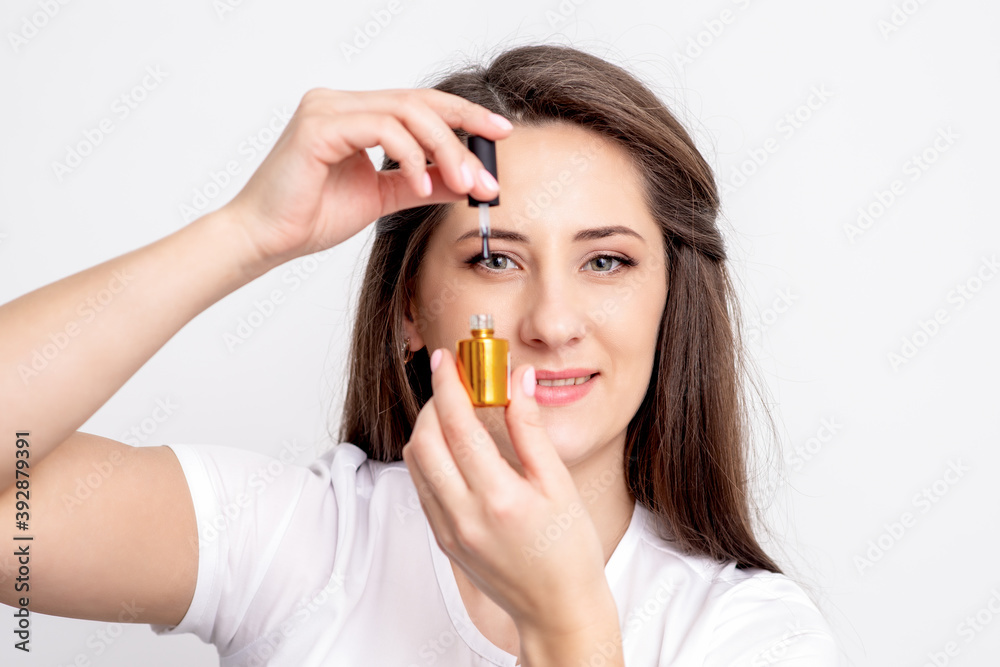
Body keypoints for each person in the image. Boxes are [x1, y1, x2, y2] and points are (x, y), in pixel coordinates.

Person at [0, 43, 842, 665]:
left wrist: (565, 621)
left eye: (607, 261)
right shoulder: (307, 543)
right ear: (409, 314)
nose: (552, 321)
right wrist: (246, 234)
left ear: (671, 306)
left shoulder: (749, 632)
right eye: (495, 259)